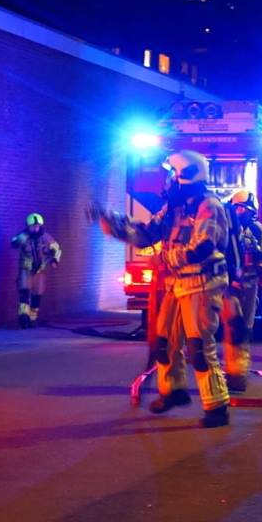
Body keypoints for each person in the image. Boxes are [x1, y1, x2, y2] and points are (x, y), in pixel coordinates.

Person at [89, 150, 232, 428]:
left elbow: (203, 248)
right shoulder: (175, 208)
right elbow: (146, 234)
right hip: (177, 284)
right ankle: (172, 392)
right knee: (164, 343)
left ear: (186, 175)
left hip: (203, 284)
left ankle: (217, 407)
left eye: (173, 175)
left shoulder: (209, 206)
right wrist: (114, 224)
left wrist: (164, 258)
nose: (168, 181)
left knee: (199, 347)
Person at [221, 190, 262, 392]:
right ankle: (227, 374)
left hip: (250, 283)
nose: (246, 214)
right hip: (228, 285)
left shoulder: (255, 229)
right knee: (234, 326)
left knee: (245, 330)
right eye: (243, 209)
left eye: (249, 211)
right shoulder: (224, 228)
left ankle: (238, 374)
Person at [11, 214, 61, 328]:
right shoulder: (23, 236)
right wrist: (23, 236)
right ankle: (23, 317)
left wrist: (55, 260)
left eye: (37, 226)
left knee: (37, 296)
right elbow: (14, 243)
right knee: (24, 293)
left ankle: (32, 319)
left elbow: (57, 248)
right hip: (26, 270)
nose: (35, 228)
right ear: (28, 226)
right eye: (33, 226)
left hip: (40, 271)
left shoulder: (46, 237)